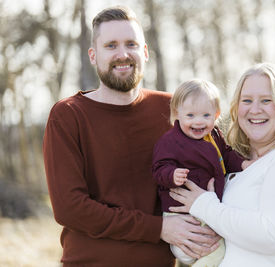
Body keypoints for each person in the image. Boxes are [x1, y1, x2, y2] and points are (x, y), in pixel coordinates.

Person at [43, 6, 219, 266]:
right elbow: (71, 208)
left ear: (144, 52)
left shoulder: (175, 111)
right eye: (111, 45)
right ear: (93, 55)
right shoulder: (68, 116)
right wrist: (158, 229)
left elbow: (219, 162)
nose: (122, 54)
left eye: (131, 44)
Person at [169, 62, 275, 266]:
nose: (255, 110)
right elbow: (228, 234)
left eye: (266, 100)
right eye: (246, 100)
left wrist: (203, 204)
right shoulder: (236, 167)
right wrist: (188, 242)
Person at [152, 79, 253, 266]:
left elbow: (227, 156)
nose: (198, 122)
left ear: (216, 115)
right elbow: (159, 168)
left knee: (219, 249)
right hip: (182, 216)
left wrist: (244, 164)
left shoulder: (214, 135)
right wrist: (171, 175)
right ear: (177, 114)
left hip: (208, 210)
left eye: (206, 115)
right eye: (190, 115)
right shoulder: (170, 142)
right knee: (213, 251)